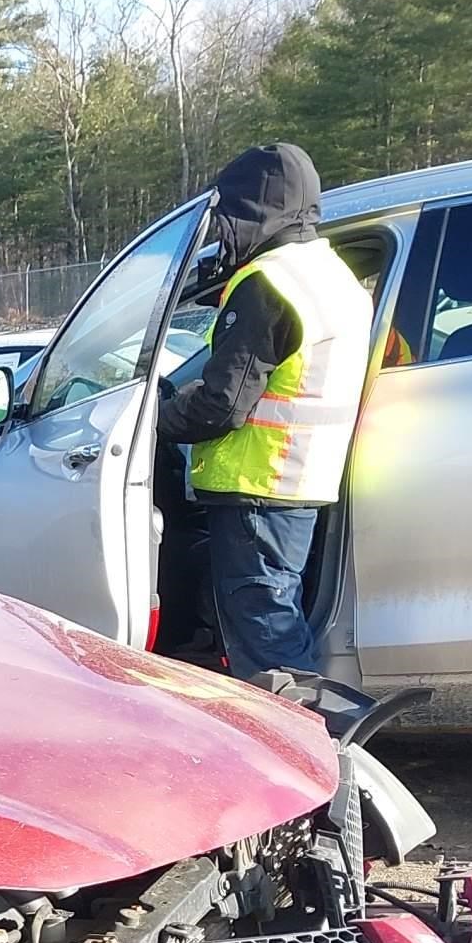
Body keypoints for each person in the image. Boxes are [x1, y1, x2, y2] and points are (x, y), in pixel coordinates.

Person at [158, 143, 375, 679]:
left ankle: (312, 746)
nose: (223, 227)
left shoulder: (268, 283)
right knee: (276, 611)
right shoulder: (332, 275)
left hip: (259, 482)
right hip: (300, 481)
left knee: (265, 631)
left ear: (255, 206)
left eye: (230, 210)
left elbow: (220, 405)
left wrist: (151, 420)